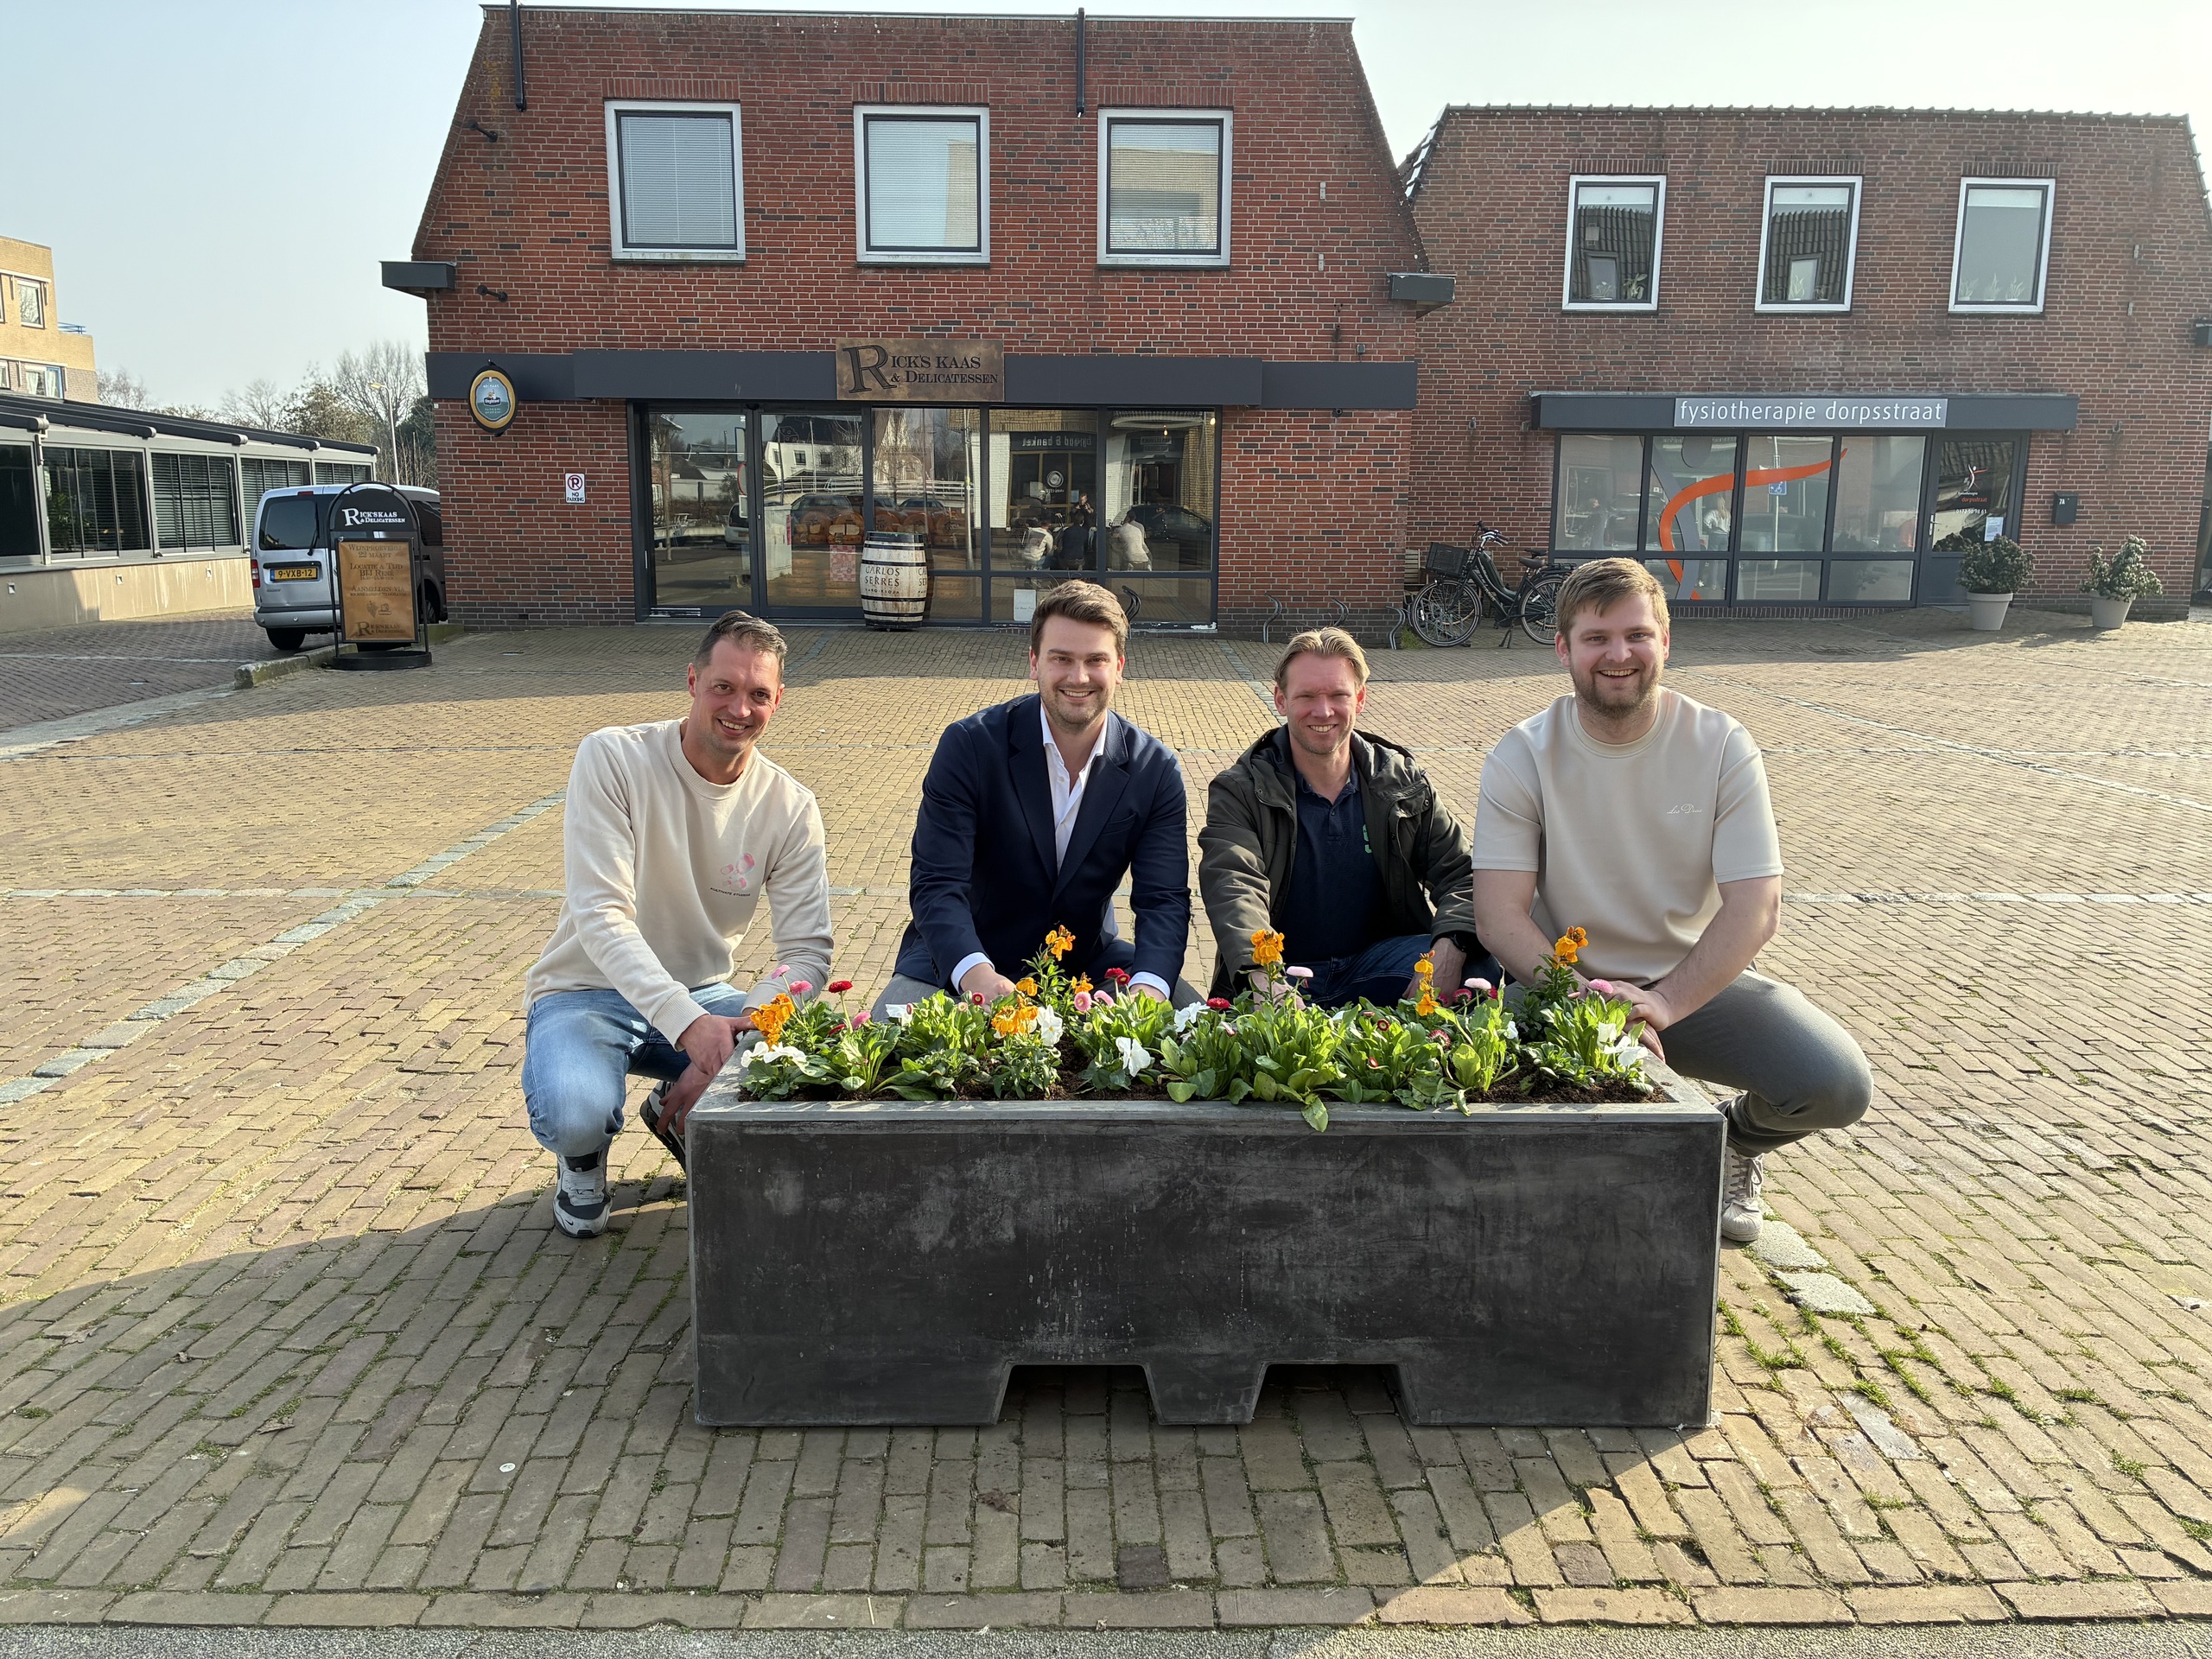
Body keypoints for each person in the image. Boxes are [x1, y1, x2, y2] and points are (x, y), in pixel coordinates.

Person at [1469, 558, 1870, 1244]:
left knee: (1835, 1083)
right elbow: (1500, 916)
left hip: (1695, 987)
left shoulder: (1720, 744)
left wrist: (1664, 1005)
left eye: (1636, 634)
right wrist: (1588, 1003)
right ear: (1563, 648)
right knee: (1455, 1084)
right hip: (1560, 992)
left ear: (1665, 641)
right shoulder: (1524, 753)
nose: (1618, 655)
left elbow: (1757, 907)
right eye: (1596, 638)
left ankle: (1734, 1143)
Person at [521, 612, 831, 1237]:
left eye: (758, 694)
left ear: (778, 700)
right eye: (723, 687)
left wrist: (743, 1029)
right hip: (584, 991)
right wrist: (689, 1028)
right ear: (692, 680)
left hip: (702, 993)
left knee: (809, 1061)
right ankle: (581, 1159)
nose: (739, 708)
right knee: (577, 1112)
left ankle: (678, 1106)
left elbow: (805, 951)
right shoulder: (613, 758)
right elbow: (601, 914)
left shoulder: (790, 806)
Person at [874, 580, 1193, 1016]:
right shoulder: (970, 746)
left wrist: (1149, 990)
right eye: (1061, 658)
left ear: (1119, 666)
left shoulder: (1154, 771)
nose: (1078, 677)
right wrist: (977, 976)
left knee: (1191, 1022)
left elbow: (1163, 899)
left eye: (1095, 660)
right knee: (893, 1037)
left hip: (1085, 965)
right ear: (1034, 664)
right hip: (963, 960)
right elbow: (937, 885)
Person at [1198, 627, 1489, 1007]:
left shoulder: (1402, 782)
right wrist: (1260, 975)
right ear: (1281, 700)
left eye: (1338, 695)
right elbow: (1233, 884)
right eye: (1306, 696)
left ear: (1361, 698)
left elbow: (1462, 874)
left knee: (1477, 965)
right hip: (1283, 976)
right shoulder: (1241, 790)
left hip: (1380, 966)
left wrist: (1450, 948)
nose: (1323, 711)